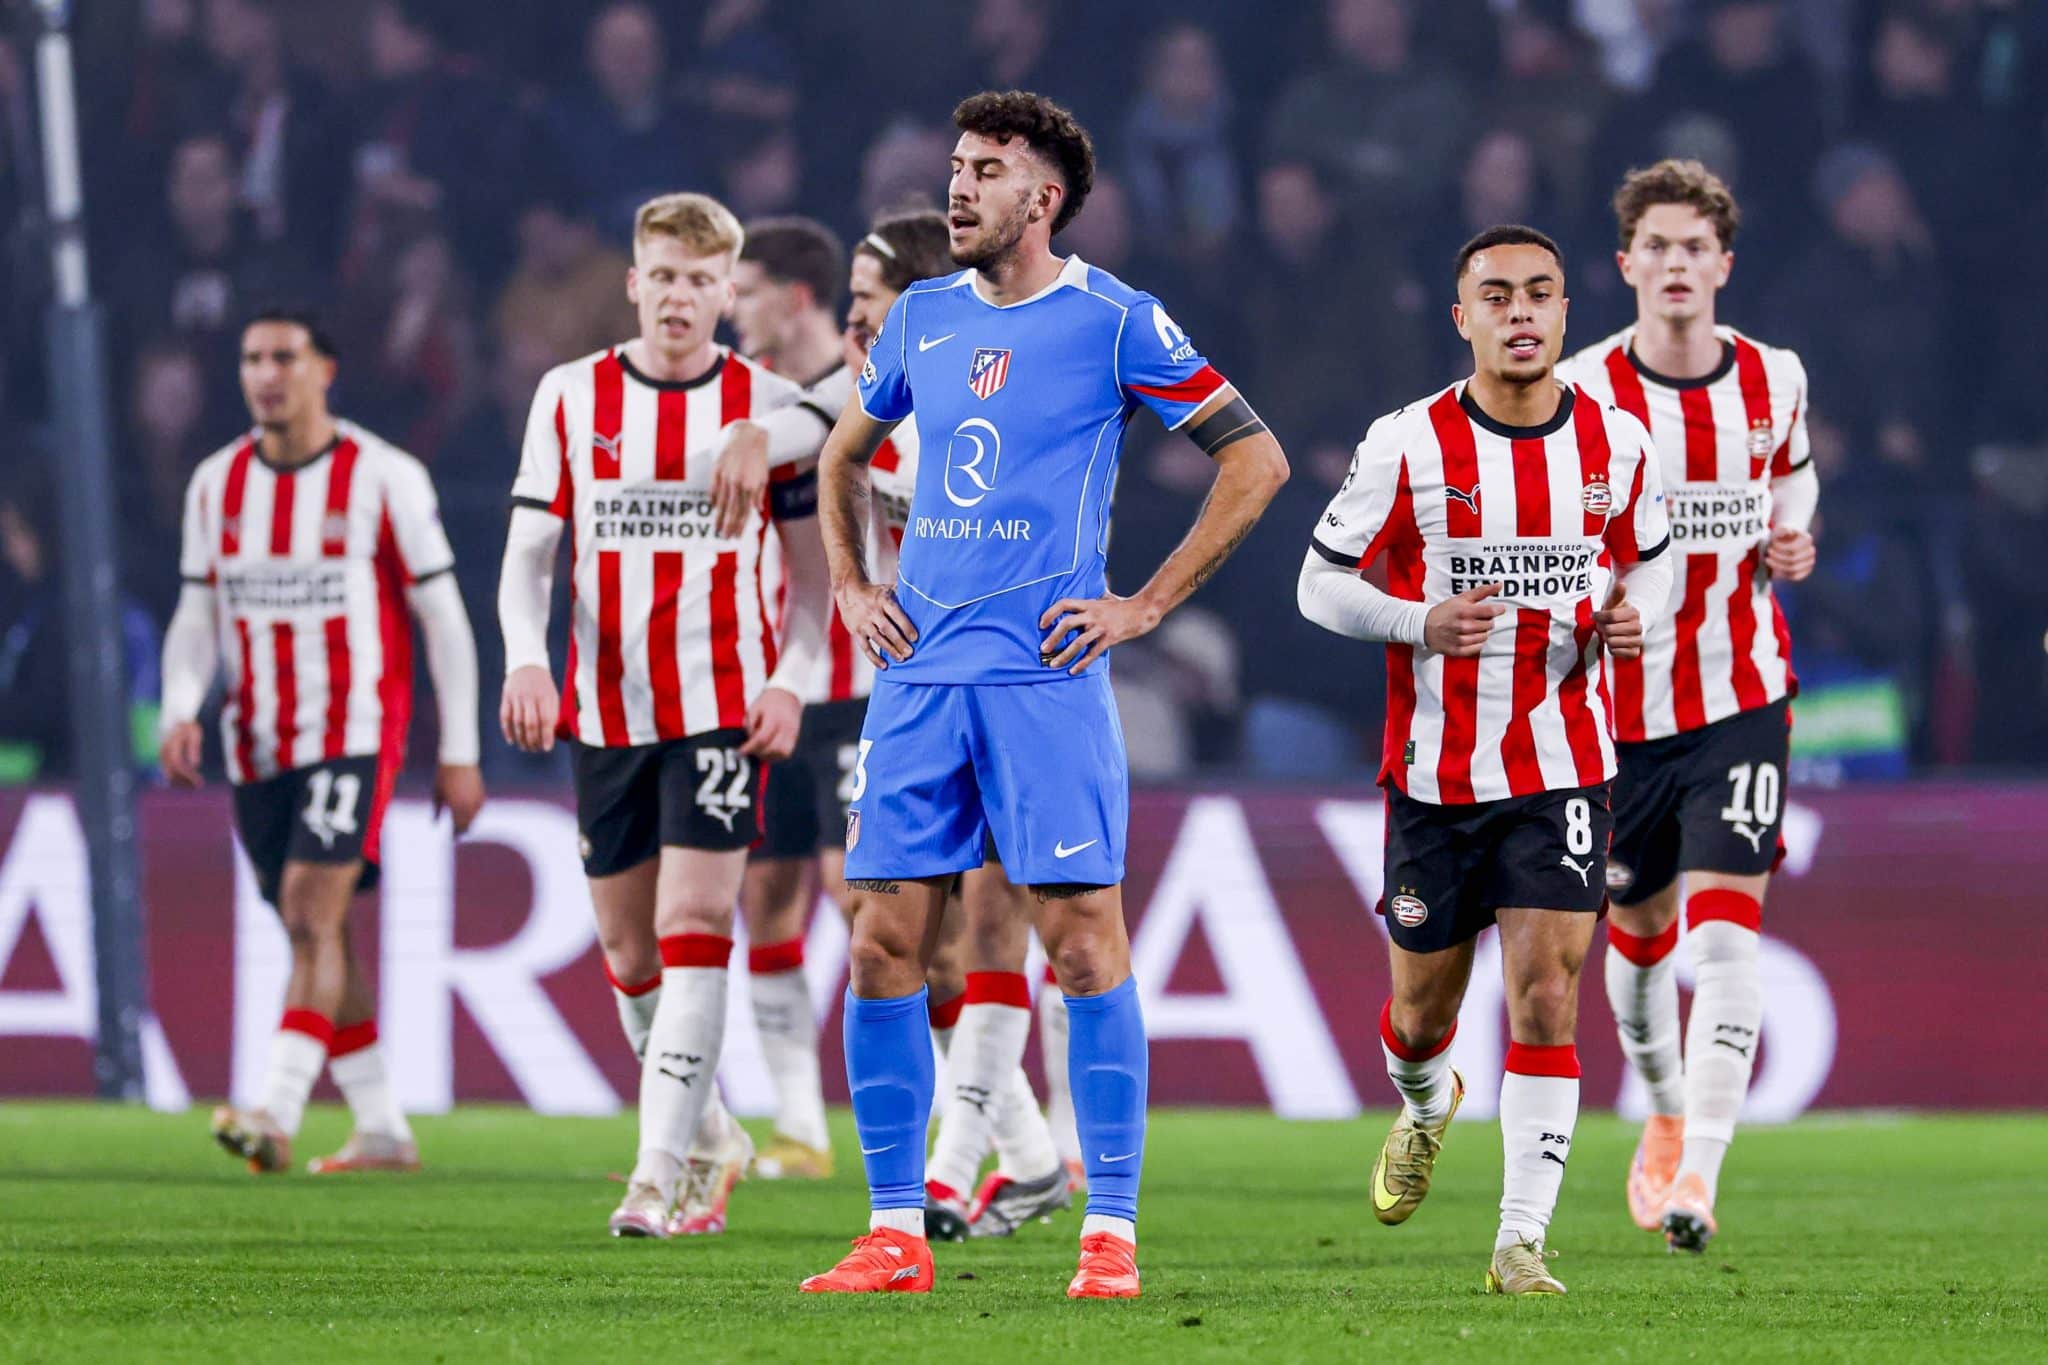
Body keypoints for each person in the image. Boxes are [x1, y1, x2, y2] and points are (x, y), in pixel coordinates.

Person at [799, 90, 1288, 1298]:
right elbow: (841, 456)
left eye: (986, 170)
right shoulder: (920, 316)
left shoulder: (1114, 318)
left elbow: (1255, 459)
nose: (958, 187)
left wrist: (1144, 605)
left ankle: (1107, 1233)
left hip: (1043, 680)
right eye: (957, 166)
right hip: (919, 680)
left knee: (1079, 943)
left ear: (1044, 197)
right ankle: (894, 1233)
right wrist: (853, 584)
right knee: (881, 944)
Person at [1297, 225, 1673, 1295]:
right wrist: (1417, 620)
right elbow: (1316, 584)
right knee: (1422, 1018)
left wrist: (1633, 616)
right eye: (1497, 296)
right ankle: (1425, 1103)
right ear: (1462, 318)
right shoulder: (1406, 443)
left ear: (1565, 313)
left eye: (1539, 294)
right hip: (1437, 776)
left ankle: (1519, 1241)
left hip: (1564, 765)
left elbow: (1650, 563)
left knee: (1546, 993)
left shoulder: (1616, 442)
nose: (1520, 313)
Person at [719, 210, 1076, 1235]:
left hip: (1019, 691)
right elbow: (813, 422)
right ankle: (1009, 1161)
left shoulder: (993, 404)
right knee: (906, 932)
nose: (852, 329)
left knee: (1007, 933)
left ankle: (1025, 1159)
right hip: (914, 705)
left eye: (868, 309)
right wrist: (756, 433)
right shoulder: (867, 402)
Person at [495, 193, 830, 1240]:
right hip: (605, 709)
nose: (680, 297)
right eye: (665, 277)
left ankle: (657, 1173)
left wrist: (790, 680)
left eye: (701, 280)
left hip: (722, 707)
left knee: (696, 927)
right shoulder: (569, 395)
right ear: (635, 284)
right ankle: (713, 1132)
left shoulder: (770, 407)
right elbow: (529, 553)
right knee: (628, 953)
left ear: (727, 294)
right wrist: (525, 659)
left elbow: (814, 576)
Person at [1555, 160, 1817, 1253]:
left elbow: (1792, 476)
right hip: (1618, 715)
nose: (1675, 263)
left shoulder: (1775, 377)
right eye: (1655, 246)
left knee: (1726, 945)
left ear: (1722, 265)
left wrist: (1793, 535)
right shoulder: (1581, 389)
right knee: (1638, 943)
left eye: (1693, 247)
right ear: (1626, 265)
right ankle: (1662, 1110)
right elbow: (1547, 525)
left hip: (1739, 695)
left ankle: (1697, 1178)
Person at [161, 309, 485, 1175]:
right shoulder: (216, 483)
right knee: (317, 930)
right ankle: (381, 1126)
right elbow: (196, 611)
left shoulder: (384, 475)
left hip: (354, 732)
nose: (267, 374)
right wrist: (181, 707)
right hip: (256, 744)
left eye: (285, 357)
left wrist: (459, 749)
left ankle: (275, 1109)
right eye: (252, 359)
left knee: (310, 913)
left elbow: (443, 617)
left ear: (325, 370)